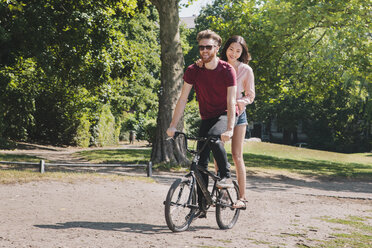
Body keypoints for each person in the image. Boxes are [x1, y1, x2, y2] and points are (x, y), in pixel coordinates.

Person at [166, 30, 238, 217]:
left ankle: (226, 176)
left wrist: (230, 129)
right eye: (201, 47)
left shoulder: (227, 70)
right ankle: (201, 205)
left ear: (216, 48)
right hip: (206, 117)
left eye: (208, 47)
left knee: (215, 138)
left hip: (224, 114)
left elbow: (231, 102)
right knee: (200, 162)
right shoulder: (193, 70)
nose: (204, 50)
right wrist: (173, 125)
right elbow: (182, 99)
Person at [196, 35, 255, 209]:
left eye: (238, 51)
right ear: (225, 49)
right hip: (220, 113)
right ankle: (221, 193)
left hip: (238, 115)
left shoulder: (246, 70)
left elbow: (251, 95)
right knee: (217, 150)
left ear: (242, 52)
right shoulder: (217, 65)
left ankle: (242, 198)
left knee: (237, 156)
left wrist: (240, 102)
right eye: (231, 49)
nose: (234, 53)